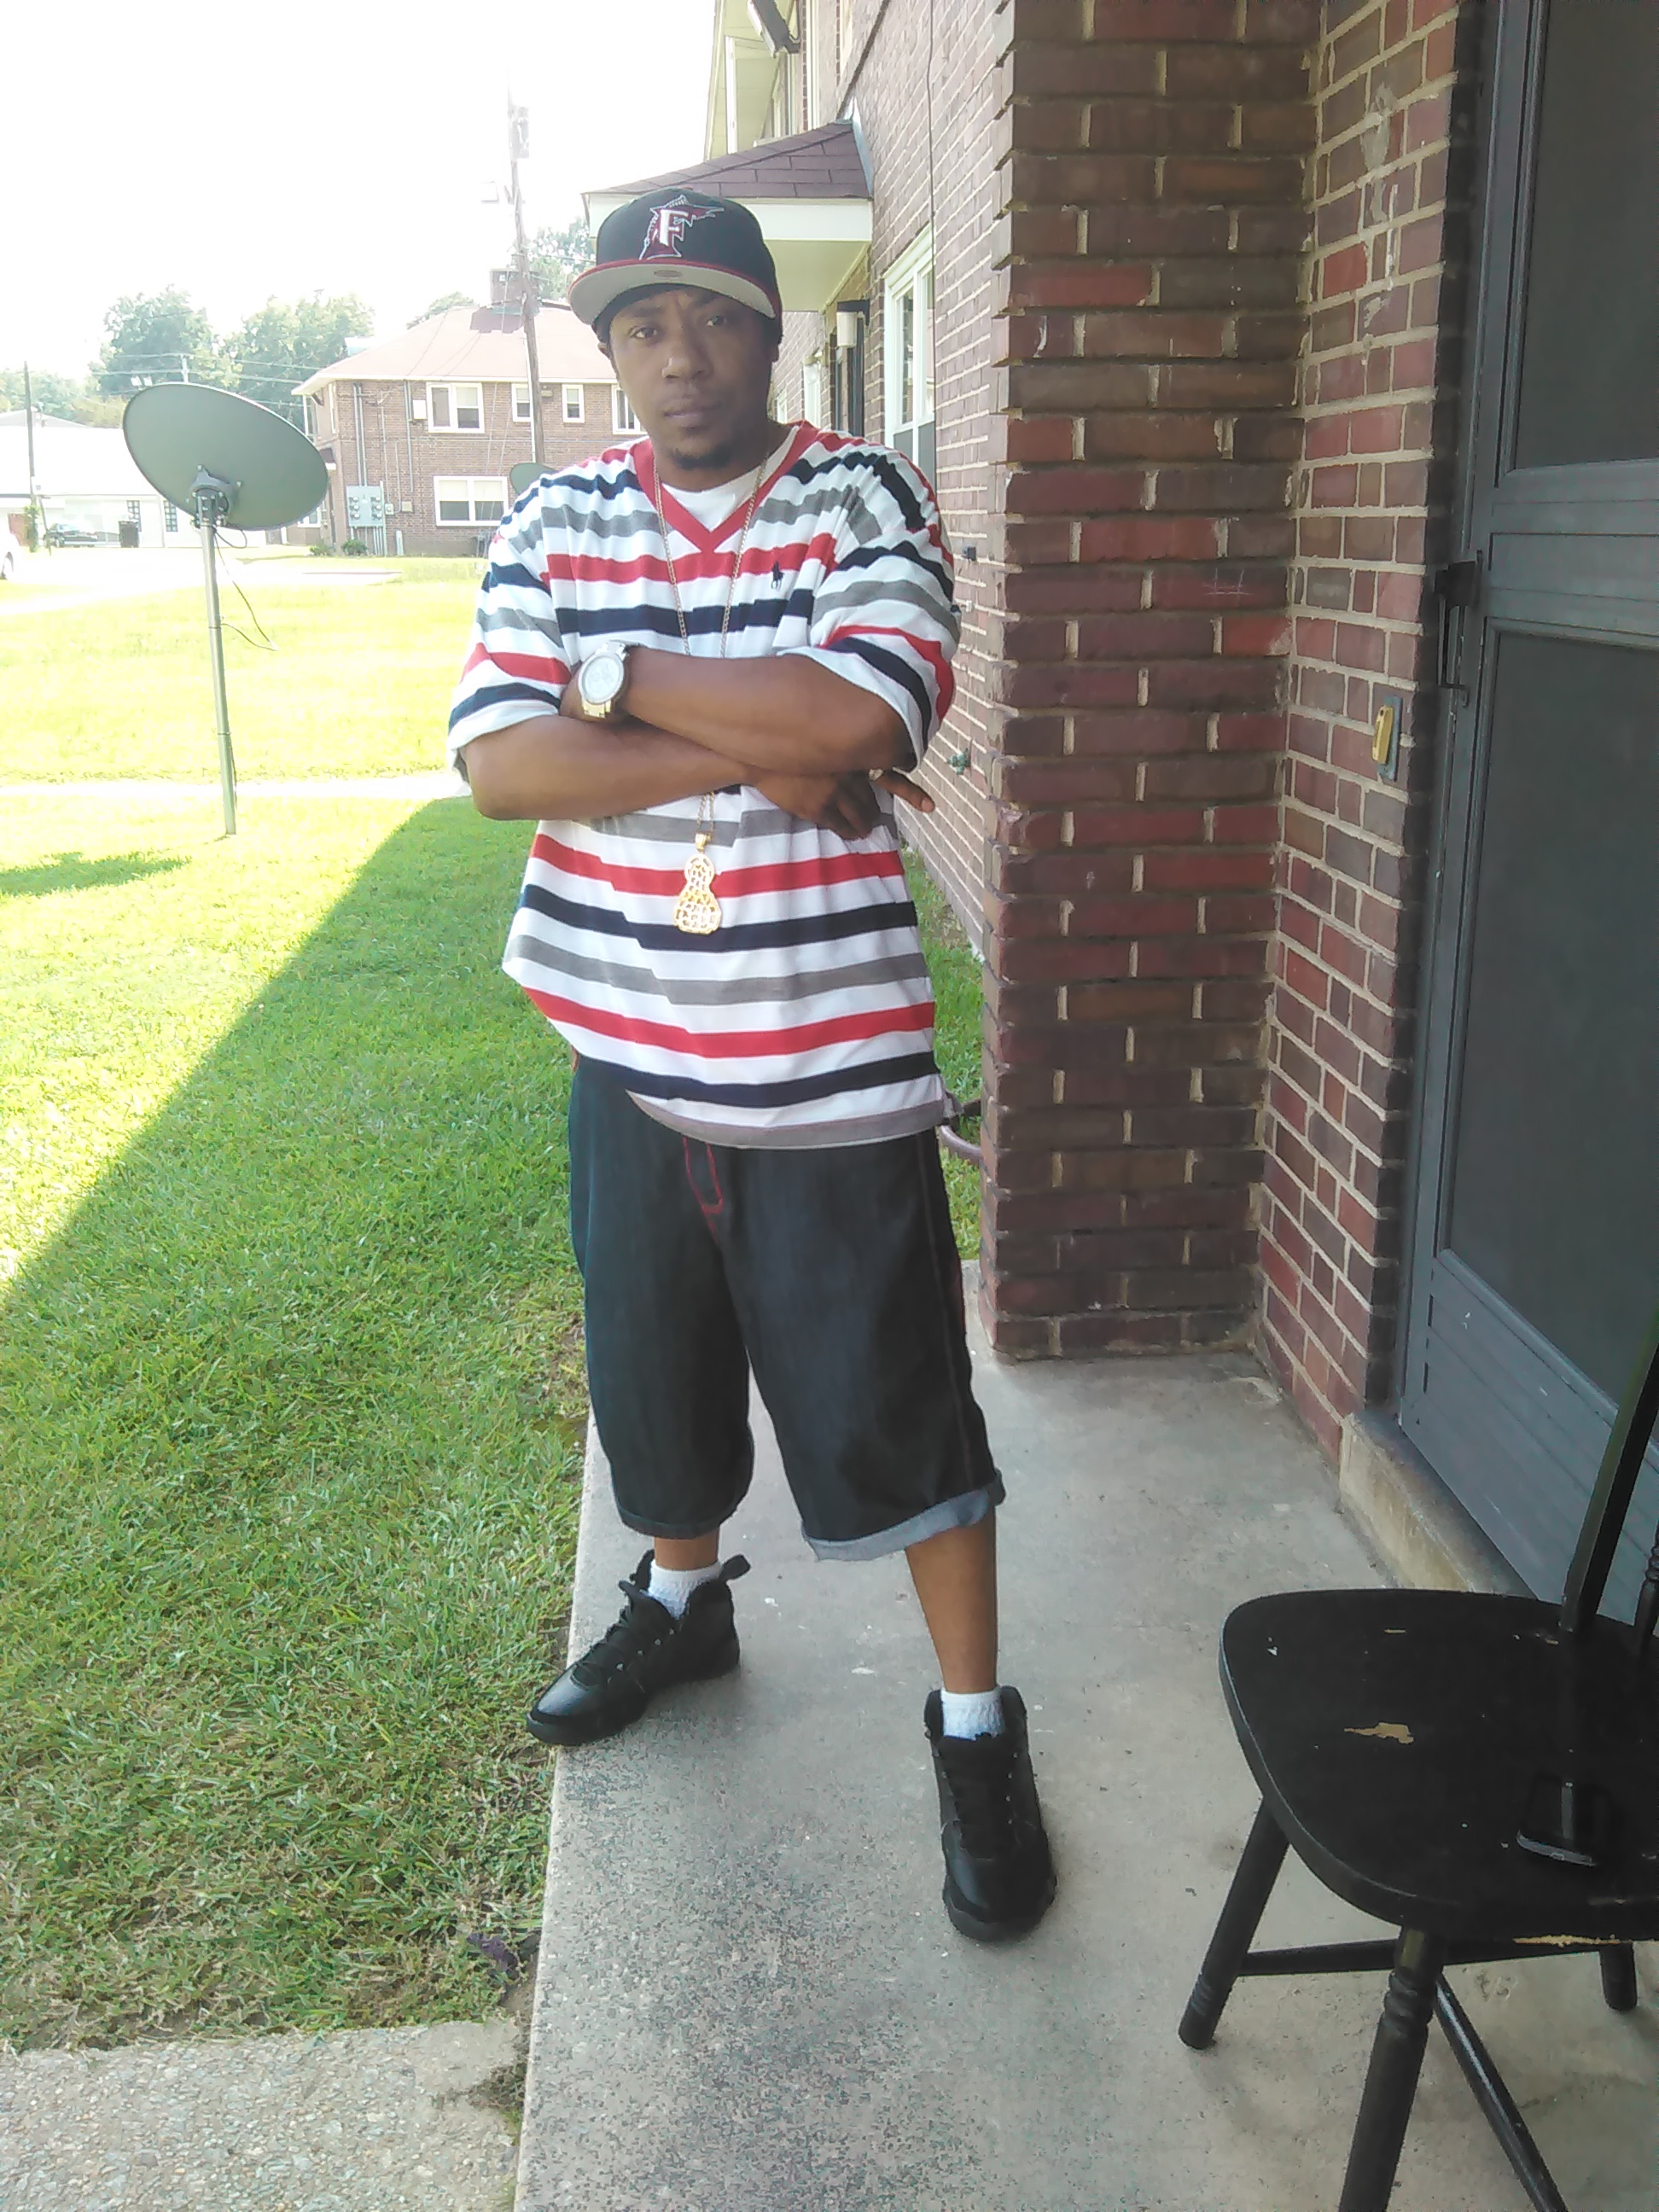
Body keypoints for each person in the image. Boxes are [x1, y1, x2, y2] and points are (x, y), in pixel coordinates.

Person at [447, 186, 1054, 1943]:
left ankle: (974, 1729)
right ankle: (684, 1605)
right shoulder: (555, 513)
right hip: (628, 1053)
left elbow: (859, 718)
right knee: (655, 1380)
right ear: (610, 348)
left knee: (901, 1413)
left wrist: (620, 669)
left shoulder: (862, 498)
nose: (680, 355)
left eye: (713, 315)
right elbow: (502, 767)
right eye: (642, 325)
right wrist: (762, 748)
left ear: (770, 332)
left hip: (826, 1067)